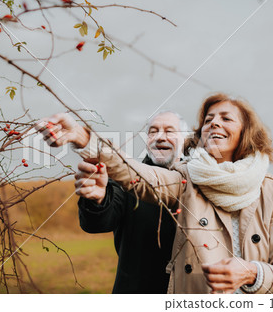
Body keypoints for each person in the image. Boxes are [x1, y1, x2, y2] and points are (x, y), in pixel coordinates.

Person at [35, 93, 273, 294]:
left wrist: (251, 273)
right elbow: (134, 175)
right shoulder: (182, 179)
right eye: (208, 119)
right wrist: (83, 138)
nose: (214, 123)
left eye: (225, 118)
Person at [73, 111, 189, 293]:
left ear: (185, 141)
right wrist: (98, 199)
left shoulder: (197, 185)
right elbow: (97, 223)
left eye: (169, 131)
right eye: (153, 131)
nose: (160, 137)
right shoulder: (125, 183)